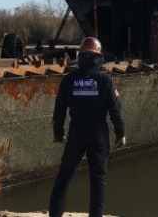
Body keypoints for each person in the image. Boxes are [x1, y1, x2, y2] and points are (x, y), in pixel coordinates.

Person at [49, 37, 126, 217]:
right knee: (98, 182)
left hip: (76, 133)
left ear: (81, 56)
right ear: (98, 57)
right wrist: (120, 132)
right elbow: (115, 110)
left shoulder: (68, 80)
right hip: (98, 134)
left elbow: (59, 110)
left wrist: (58, 133)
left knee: (64, 177)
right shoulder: (105, 80)